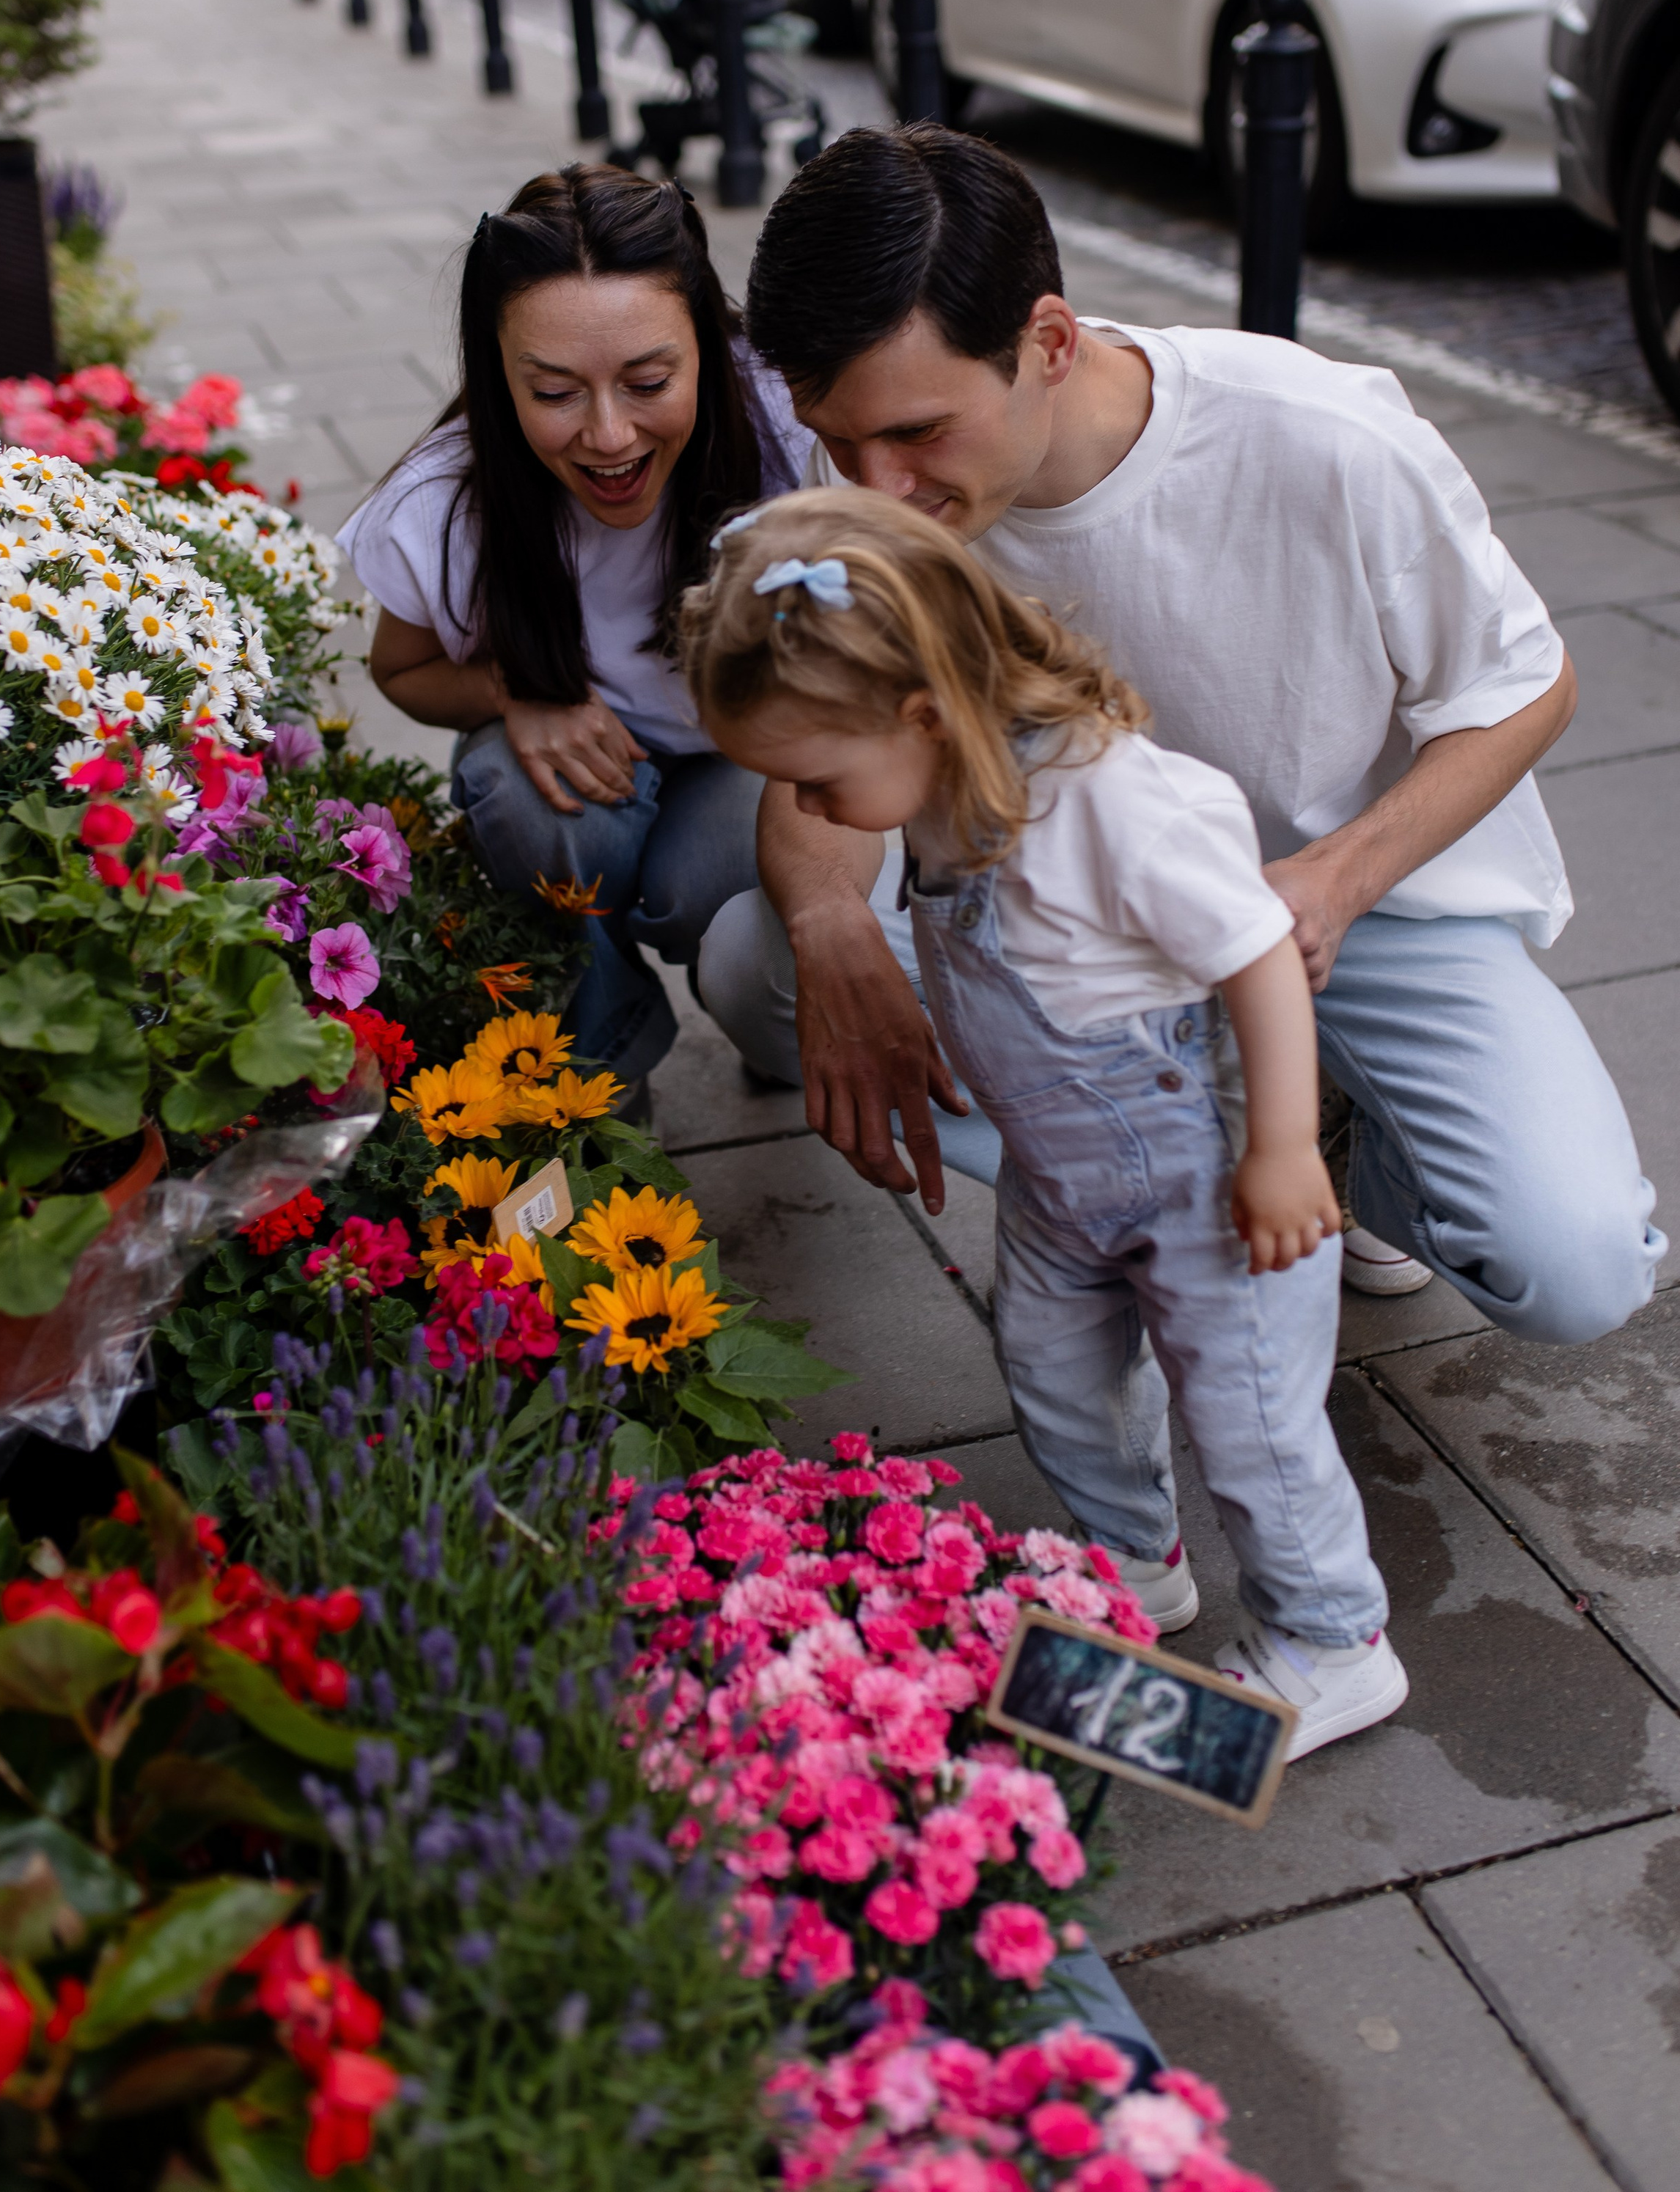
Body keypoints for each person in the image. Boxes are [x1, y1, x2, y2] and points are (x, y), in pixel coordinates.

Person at [700, 125, 1662, 1344]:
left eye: (921, 434)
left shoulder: (1325, 439)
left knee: (1574, 1270)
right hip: (1065, 917)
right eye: (838, 438)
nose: (875, 488)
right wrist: (833, 921)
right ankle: (1188, 1181)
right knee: (760, 964)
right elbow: (818, 768)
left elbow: (1530, 687)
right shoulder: (868, 502)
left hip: (1360, 912)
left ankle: (1337, 1140)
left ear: (1049, 344)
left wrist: (1333, 883)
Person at [683, 488, 1407, 1753]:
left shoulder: (1109, 803)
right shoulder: (935, 770)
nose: (800, 810)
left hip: (1206, 1174)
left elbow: (1260, 959)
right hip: (1063, 1178)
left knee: (1251, 1419)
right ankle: (1135, 1563)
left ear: (919, 711)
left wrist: (1285, 1149)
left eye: (814, 779)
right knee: (1058, 1375)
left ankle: (1334, 1640)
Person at [340, 163, 802, 1093]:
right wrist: (513, 693)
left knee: (726, 869)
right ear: (498, 375)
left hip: (740, 755)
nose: (608, 435)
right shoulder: (445, 500)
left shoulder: (791, 429)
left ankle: (750, 999)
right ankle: (601, 1052)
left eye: (648, 381)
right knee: (521, 799)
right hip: (581, 777)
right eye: (553, 393)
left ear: (708, 344)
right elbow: (401, 670)